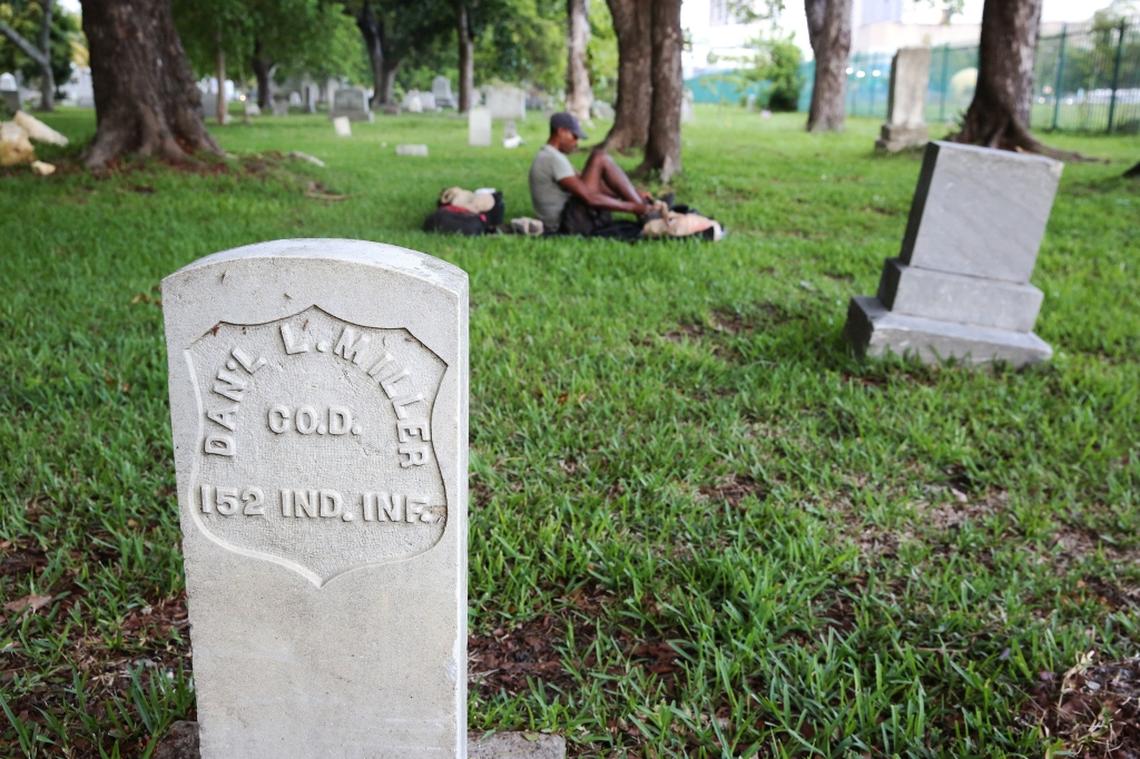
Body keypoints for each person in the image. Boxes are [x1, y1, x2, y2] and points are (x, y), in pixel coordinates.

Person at [528, 112, 654, 236]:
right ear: (561, 131)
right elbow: (590, 197)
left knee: (600, 160)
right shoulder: (552, 159)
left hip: (568, 219)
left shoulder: (551, 156)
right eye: (574, 137)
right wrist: (632, 207)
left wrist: (632, 193)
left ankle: (646, 210)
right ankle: (647, 214)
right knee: (599, 157)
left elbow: (589, 185)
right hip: (566, 223)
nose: (576, 143)